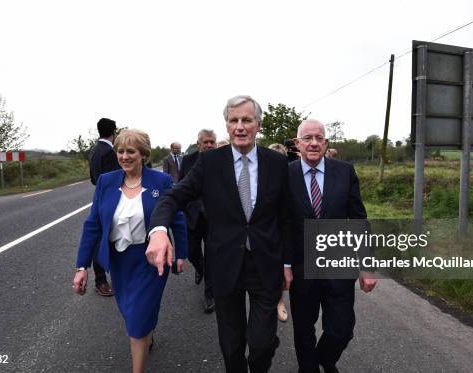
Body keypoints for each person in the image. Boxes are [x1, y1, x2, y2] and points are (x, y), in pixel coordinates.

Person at [146, 95, 292, 373]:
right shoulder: (210, 162)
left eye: (246, 120)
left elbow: (285, 217)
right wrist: (159, 230)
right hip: (224, 265)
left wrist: (287, 262)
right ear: (226, 125)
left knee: (261, 344)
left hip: (265, 263)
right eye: (233, 120)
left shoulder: (276, 163)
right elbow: (173, 197)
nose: (239, 126)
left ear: (257, 124)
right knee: (231, 342)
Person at [73, 129, 187, 373]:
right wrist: (82, 267)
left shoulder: (162, 182)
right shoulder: (106, 182)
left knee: (136, 321)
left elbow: (177, 219)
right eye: (120, 151)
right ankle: (147, 331)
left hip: (151, 260)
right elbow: (93, 225)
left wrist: (182, 254)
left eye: (130, 151)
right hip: (119, 262)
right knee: (132, 313)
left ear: (143, 154)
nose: (124, 156)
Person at [287, 119, 376, 373]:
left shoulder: (345, 171)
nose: (313, 143)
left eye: (318, 138)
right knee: (304, 328)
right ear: (297, 144)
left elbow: (359, 219)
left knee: (342, 329)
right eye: (307, 138)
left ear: (325, 143)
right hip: (302, 266)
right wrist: (283, 263)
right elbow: (280, 223)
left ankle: (325, 359)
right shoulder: (285, 175)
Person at [178, 129, 217, 313]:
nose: (209, 145)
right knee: (192, 252)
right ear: (198, 143)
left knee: (212, 257)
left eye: (212, 142)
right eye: (206, 142)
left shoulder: (223, 160)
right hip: (192, 216)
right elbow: (181, 186)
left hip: (215, 218)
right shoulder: (188, 161)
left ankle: (210, 295)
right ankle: (199, 268)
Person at [88, 117, 120, 296]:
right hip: (110, 200)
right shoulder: (109, 152)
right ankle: (100, 280)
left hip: (99, 198)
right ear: (114, 132)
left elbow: (93, 179)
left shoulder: (94, 150)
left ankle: (103, 278)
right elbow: (114, 178)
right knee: (101, 240)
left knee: (101, 238)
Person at [267, 143, 290, 323]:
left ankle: (279, 300)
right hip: (264, 232)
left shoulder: (288, 177)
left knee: (282, 267)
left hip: (283, 230)